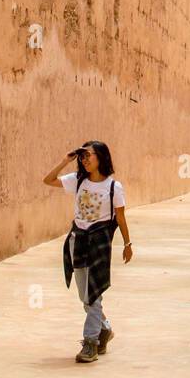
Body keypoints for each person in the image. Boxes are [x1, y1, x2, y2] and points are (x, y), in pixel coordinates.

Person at [43, 141, 132, 363]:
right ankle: (105, 328)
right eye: (82, 156)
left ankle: (90, 342)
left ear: (101, 157)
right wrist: (66, 160)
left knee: (94, 294)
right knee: (85, 296)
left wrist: (128, 244)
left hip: (99, 241)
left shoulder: (114, 187)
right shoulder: (78, 181)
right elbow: (48, 180)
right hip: (78, 240)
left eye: (88, 155)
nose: (84, 160)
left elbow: (120, 218)